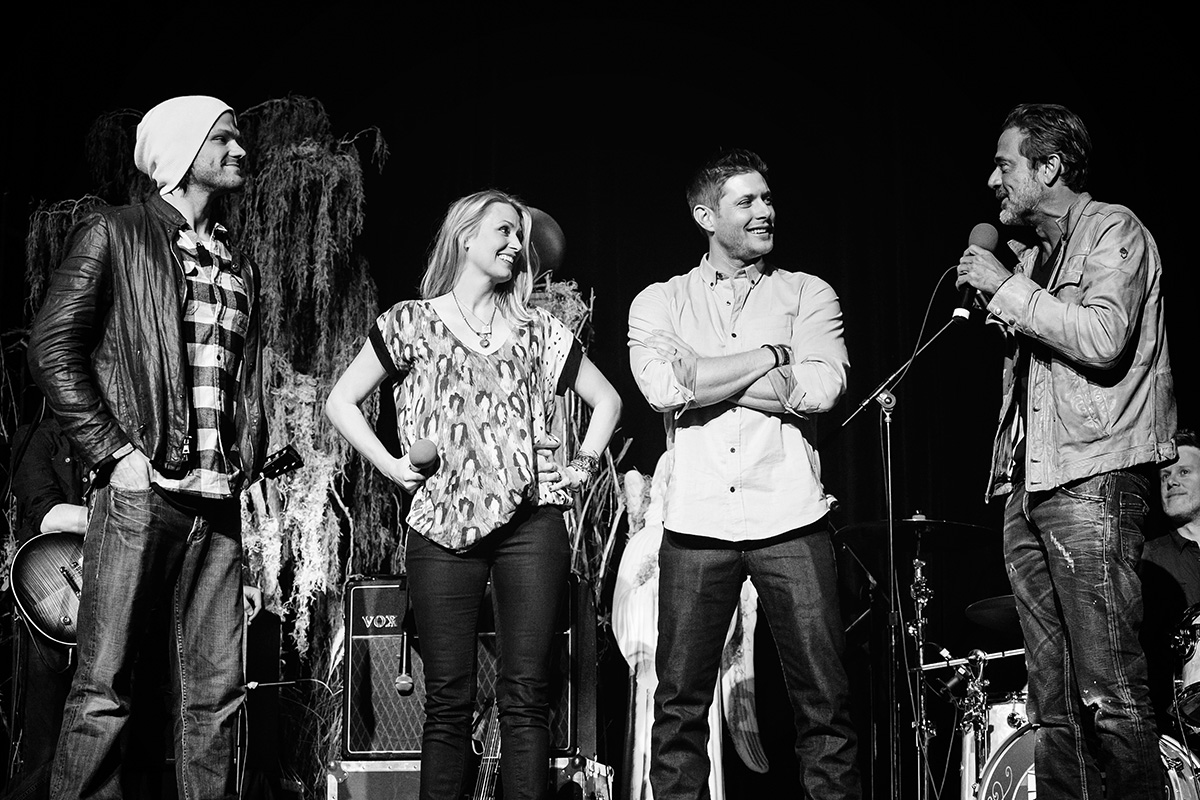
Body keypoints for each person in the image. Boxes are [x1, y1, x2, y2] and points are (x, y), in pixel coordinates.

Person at [324, 189, 621, 800]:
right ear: (465, 236)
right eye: (504, 230)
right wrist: (391, 466)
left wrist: (581, 466)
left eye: (520, 236)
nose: (516, 244)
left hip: (531, 525)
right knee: (448, 702)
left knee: (525, 698)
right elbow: (341, 401)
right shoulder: (410, 321)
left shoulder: (539, 330)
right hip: (441, 525)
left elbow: (607, 400)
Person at [26, 95, 267, 800]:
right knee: (104, 690)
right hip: (142, 494)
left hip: (219, 504)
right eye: (223, 138)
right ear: (183, 152)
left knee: (216, 698)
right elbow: (52, 347)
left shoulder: (238, 262)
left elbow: (238, 380)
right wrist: (115, 454)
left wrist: (246, 460)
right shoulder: (117, 232)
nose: (239, 150)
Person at [955, 103, 1176, 798]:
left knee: (1109, 693)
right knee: (1050, 707)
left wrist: (1007, 289)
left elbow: (1104, 338)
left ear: (1049, 167)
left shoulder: (1114, 229)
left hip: (1092, 477)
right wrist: (1004, 294)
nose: (993, 180)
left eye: (1005, 164)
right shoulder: (1031, 259)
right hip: (1027, 484)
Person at [627, 149, 860, 800]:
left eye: (768, 198)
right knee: (678, 708)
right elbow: (662, 388)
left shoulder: (808, 293)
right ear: (706, 216)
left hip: (790, 516)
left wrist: (704, 372)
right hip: (696, 522)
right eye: (747, 201)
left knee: (825, 705)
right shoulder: (660, 300)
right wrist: (774, 355)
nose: (766, 211)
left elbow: (820, 388)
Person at [4, 415, 88, 800]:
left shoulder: (124, 444)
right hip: (50, 597)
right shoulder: (38, 437)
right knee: (45, 740)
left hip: (107, 598)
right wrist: (118, 516)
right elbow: (48, 516)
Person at [1141, 429, 1200, 734]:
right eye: (1164, 475)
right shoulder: (1145, 560)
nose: (1171, 481)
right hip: (1173, 728)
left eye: (1183, 472)